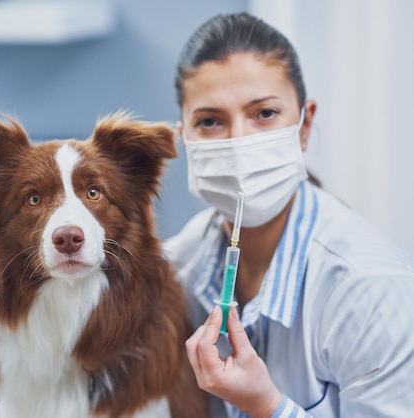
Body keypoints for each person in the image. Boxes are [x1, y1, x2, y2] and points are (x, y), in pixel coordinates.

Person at [164, 11, 414, 418]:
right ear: (185, 141)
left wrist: (267, 406)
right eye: (210, 121)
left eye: (264, 113)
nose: (239, 143)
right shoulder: (178, 267)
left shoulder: (370, 293)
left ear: (304, 124)